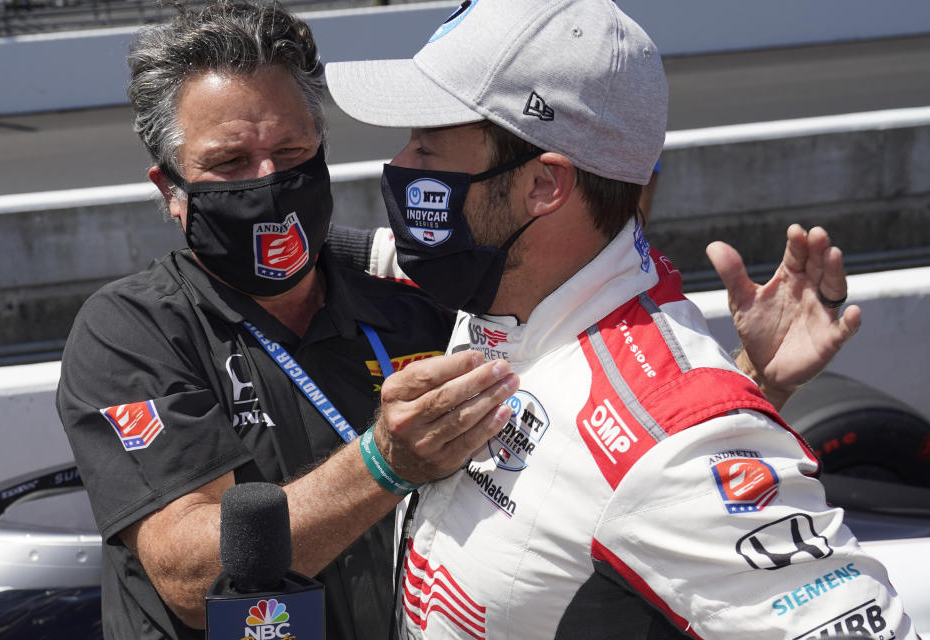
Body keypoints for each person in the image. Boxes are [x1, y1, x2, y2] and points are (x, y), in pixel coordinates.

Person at [56, 2, 860, 639]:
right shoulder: (129, 330)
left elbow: (603, 450)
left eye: (294, 155)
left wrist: (742, 385)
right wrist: (381, 463)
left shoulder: (436, 295)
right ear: (170, 188)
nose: (268, 184)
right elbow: (192, 580)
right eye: (230, 165)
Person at [324, 0, 913, 638]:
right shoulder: (503, 292)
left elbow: (660, 454)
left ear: (543, 187)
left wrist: (715, 403)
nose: (402, 165)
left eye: (428, 146)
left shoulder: (683, 445)